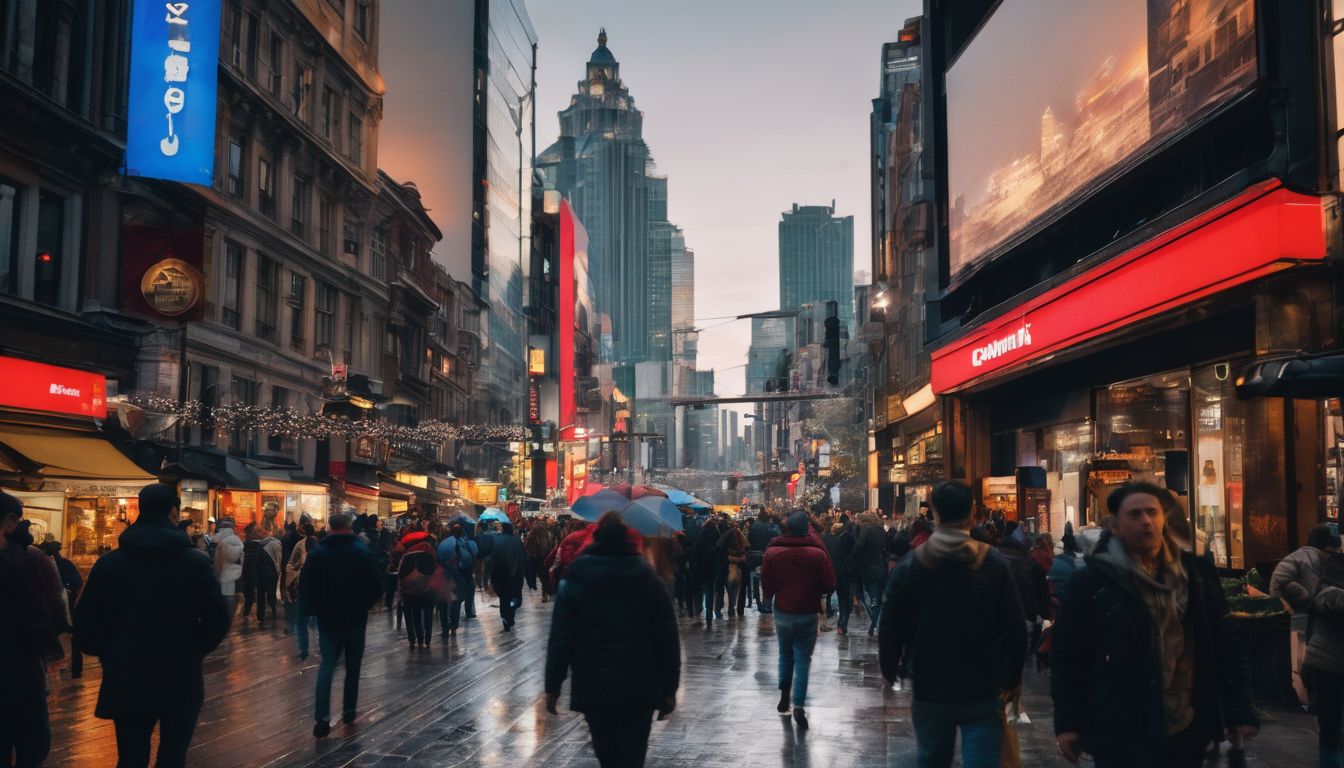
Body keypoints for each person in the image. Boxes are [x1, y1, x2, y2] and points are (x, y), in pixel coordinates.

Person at [1052, 482, 1258, 767]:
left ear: (1164, 519)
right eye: (1135, 514)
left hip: (1188, 727)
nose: (1145, 521)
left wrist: (1240, 711)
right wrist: (1068, 723)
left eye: (1152, 512)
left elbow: (1226, 644)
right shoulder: (1093, 581)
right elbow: (1068, 656)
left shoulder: (1195, 576)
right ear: (1115, 525)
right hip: (1119, 729)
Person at [74, 483, 231, 768]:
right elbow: (217, 618)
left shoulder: (110, 564)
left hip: (127, 671)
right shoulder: (193, 563)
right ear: (173, 512)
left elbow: (85, 621)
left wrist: (108, 651)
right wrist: (193, 649)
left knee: (131, 756)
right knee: (173, 755)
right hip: (179, 673)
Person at [879, 480, 1026, 768]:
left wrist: (890, 668)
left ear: (934, 512)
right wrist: (1009, 678)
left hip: (931, 684)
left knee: (932, 758)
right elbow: (1015, 626)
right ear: (972, 513)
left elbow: (891, 624)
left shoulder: (911, 566)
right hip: (983, 685)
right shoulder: (992, 562)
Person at [545, 513, 680, 768]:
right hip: (640, 685)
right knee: (633, 756)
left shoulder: (577, 578)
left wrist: (553, 686)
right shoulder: (650, 580)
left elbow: (560, 637)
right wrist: (669, 690)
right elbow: (668, 639)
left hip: (594, 682)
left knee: (606, 753)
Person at [299, 511, 383, 738]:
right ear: (350, 527)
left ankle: (322, 719)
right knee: (353, 668)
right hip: (355, 619)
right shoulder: (362, 552)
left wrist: (311, 610)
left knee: (327, 666)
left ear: (330, 527)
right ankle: (348, 712)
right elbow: (376, 585)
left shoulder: (318, 554)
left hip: (327, 619)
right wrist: (363, 605)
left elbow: (306, 586)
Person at [0, 493, 66, 768]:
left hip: (20, 664)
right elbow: (55, 610)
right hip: (21, 665)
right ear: (12, 520)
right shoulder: (32, 558)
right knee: (30, 742)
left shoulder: (29, 558)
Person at [761, 511, 836, 730]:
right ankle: (799, 705)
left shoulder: (772, 551)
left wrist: (772, 594)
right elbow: (830, 584)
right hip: (807, 612)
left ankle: (784, 694)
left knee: (785, 654)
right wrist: (814, 591)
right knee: (803, 658)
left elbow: (767, 584)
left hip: (783, 611)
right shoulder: (818, 554)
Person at [1271, 522, 1340, 707]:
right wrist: (1312, 603)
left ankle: (1294, 695)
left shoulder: (1304, 553)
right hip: (1288, 609)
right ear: (1325, 547)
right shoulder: (1312, 557)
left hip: (1280, 606)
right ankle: (1300, 695)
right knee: (1297, 650)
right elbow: (1315, 591)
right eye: (1333, 551)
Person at [40, 540, 84, 677]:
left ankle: (56, 668)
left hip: (50, 608)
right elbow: (78, 582)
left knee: (56, 636)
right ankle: (75, 670)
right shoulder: (66, 563)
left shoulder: (42, 564)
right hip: (69, 606)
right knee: (72, 637)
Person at [397, 528, 442, 648]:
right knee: (428, 613)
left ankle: (419, 639)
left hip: (411, 592)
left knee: (416, 614)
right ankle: (428, 638)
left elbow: (400, 574)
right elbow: (436, 570)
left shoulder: (407, 555)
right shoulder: (429, 552)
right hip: (428, 590)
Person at [285, 523, 318, 658]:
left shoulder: (301, 544)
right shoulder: (321, 546)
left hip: (304, 588)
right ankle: (317, 647)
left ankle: (304, 649)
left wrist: (292, 575)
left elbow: (292, 563)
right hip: (313, 590)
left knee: (302, 621)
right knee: (314, 621)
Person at [851, 512, 888, 636]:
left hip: (867, 565)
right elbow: (884, 546)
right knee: (876, 596)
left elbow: (860, 544)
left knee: (866, 593)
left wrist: (851, 557)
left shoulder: (866, 528)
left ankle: (874, 621)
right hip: (879, 565)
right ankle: (874, 623)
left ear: (863, 521)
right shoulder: (880, 529)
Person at [436, 523, 476, 636]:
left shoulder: (445, 544)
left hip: (445, 578)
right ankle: (453, 625)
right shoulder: (466, 544)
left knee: (444, 604)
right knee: (456, 603)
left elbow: (439, 560)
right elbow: (471, 559)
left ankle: (445, 628)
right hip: (459, 579)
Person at [491, 522, 528, 631]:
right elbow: (523, 556)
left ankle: (505, 617)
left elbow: (494, 558)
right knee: (513, 596)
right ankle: (510, 615)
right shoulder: (516, 539)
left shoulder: (498, 540)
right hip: (515, 575)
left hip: (501, 575)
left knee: (503, 598)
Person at [747, 510, 779, 613]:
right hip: (765, 555)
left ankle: (757, 601)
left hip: (753, 555)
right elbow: (775, 537)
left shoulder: (754, 526)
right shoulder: (770, 526)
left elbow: (749, 539)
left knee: (755, 580)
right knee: (767, 581)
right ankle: (767, 604)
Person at [213, 517, 244, 615]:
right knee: (229, 597)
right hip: (234, 575)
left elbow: (221, 560)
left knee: (227, 598)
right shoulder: (237, 540)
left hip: (225, 575)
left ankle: (227, 617)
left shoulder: (222, 542)